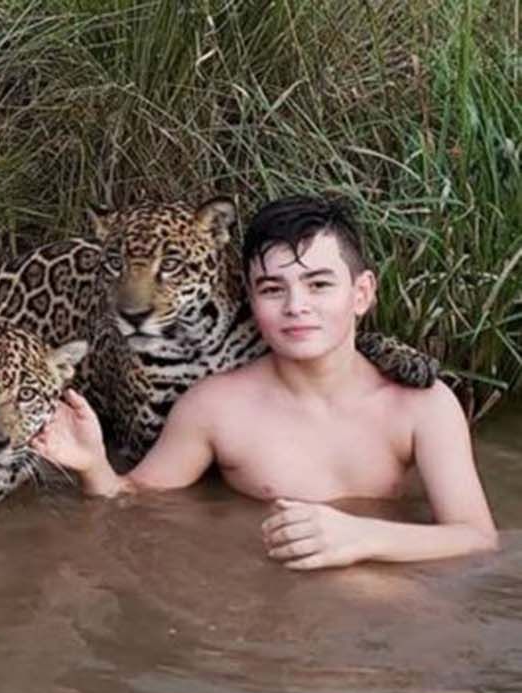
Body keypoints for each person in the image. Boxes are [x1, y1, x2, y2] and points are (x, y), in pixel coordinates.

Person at [32, 195, 498, 570]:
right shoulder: (214, 407)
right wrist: (92, 463)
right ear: (250, 300)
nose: (296, 306)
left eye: (318, 285)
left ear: (362, 294)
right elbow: (130, 500)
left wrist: (362, 536)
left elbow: (476, 539)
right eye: (273, 289)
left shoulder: (422, 406)